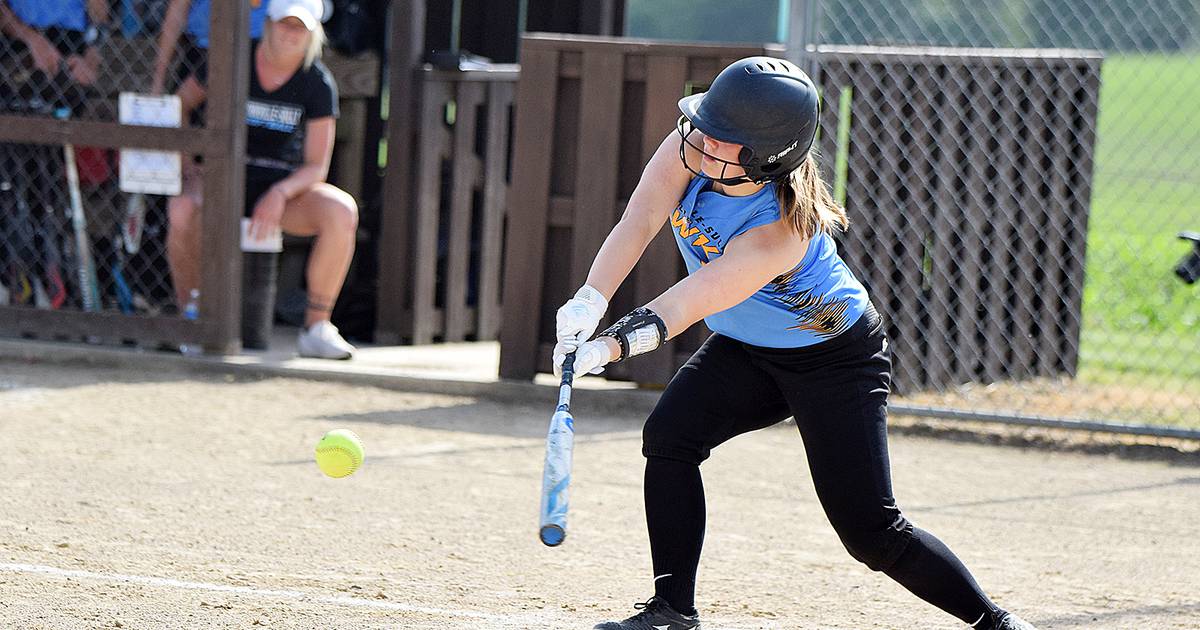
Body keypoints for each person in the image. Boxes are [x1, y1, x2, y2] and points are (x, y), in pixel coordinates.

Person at [552, 57, 1038, 630]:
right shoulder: (692, 146)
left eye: (723, 137)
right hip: (748, 348)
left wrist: (606, 349)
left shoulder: (781, 229)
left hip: (834, 360)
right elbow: (639, 221)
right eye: (704, 124)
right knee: (670, 436)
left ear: (766, 157)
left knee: (871, 533)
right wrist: (589, 301)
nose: (702, 139)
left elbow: (688, 303)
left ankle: (995, 623)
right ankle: (672, 610)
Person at [165, 0, 357, 359]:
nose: (290, 33)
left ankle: (317, 326)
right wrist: (187, 164)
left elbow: (316, 166)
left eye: (300, 27)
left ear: (313, 34)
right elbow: (180, 105)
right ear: (268, 24)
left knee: (341, 210)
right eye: (284, 23)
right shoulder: (231, 60)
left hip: (280, 186)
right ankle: (192, 315)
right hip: (221, 177)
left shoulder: (318, 82)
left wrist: (280, 193)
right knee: (182, 207)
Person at [150, 0, 270, 107]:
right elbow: (177, 11)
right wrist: (158, 81)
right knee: (179, 110)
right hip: (203, 49)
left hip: (257, 51)